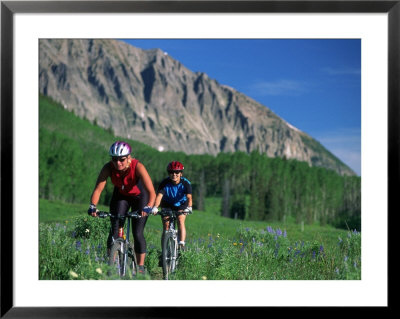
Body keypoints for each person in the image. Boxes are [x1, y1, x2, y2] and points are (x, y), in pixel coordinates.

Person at [88, 141, 156, 274]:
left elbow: (151, 192)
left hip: (140, 197)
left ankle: (140, 267)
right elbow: (98, 189)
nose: (118, 163)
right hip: (121, 196)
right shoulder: (108, 168)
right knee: (114, 230)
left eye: (122, 159)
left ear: (129, 158)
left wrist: (148, 207)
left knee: (137, 232)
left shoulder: (138, 167)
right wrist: (92, 206)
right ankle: (111, 265)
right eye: (114, 159)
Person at [151, 161, 193, 250]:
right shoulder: (164, 183)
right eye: (171, 172)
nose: (174, 174)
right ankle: (164, 251)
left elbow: (189, 197)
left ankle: (181, 244)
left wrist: (189, 207)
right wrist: (155, 207)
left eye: (177, 172)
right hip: (167, 203)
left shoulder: (185, 183)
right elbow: (159, 196)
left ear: (181, 173)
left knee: (180, 220)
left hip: (181, 204)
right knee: (166, 227)